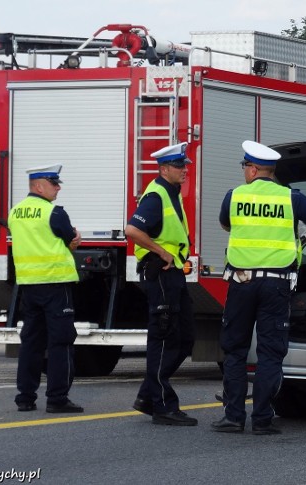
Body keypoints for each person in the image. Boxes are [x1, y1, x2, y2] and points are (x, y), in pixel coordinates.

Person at [211, 140, 306, 435]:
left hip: (241, 283)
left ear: (254, 169)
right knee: (269, 352)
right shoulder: (290, 198)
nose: (244, 171)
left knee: (234, 349)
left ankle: (233, 417)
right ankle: (263, 419)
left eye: (245, 167)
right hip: (277, 286)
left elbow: (225, 225)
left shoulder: (234, 196)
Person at [126, 142, 197, 426]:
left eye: (185, 166)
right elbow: (132, 230)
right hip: (162, 274)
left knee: (184, 338)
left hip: (174, 274)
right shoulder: (156, 195)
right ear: (164, 168)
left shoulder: (171, 192)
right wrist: (161, 251)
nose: (184, 171)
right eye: (179, 167)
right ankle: (163, 406)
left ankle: (147, 395)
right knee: (165, 339)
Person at [8, 164, 83, 413]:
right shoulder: (54, 212)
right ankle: (57, 399)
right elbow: (69, 240)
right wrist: (74, 243)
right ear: (39, 186)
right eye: (54, 183)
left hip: (29, 286)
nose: (58, 188)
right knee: (61, 342)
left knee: (31, 342)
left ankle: (25, 398)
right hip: (55, 284)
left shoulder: (15, 212)